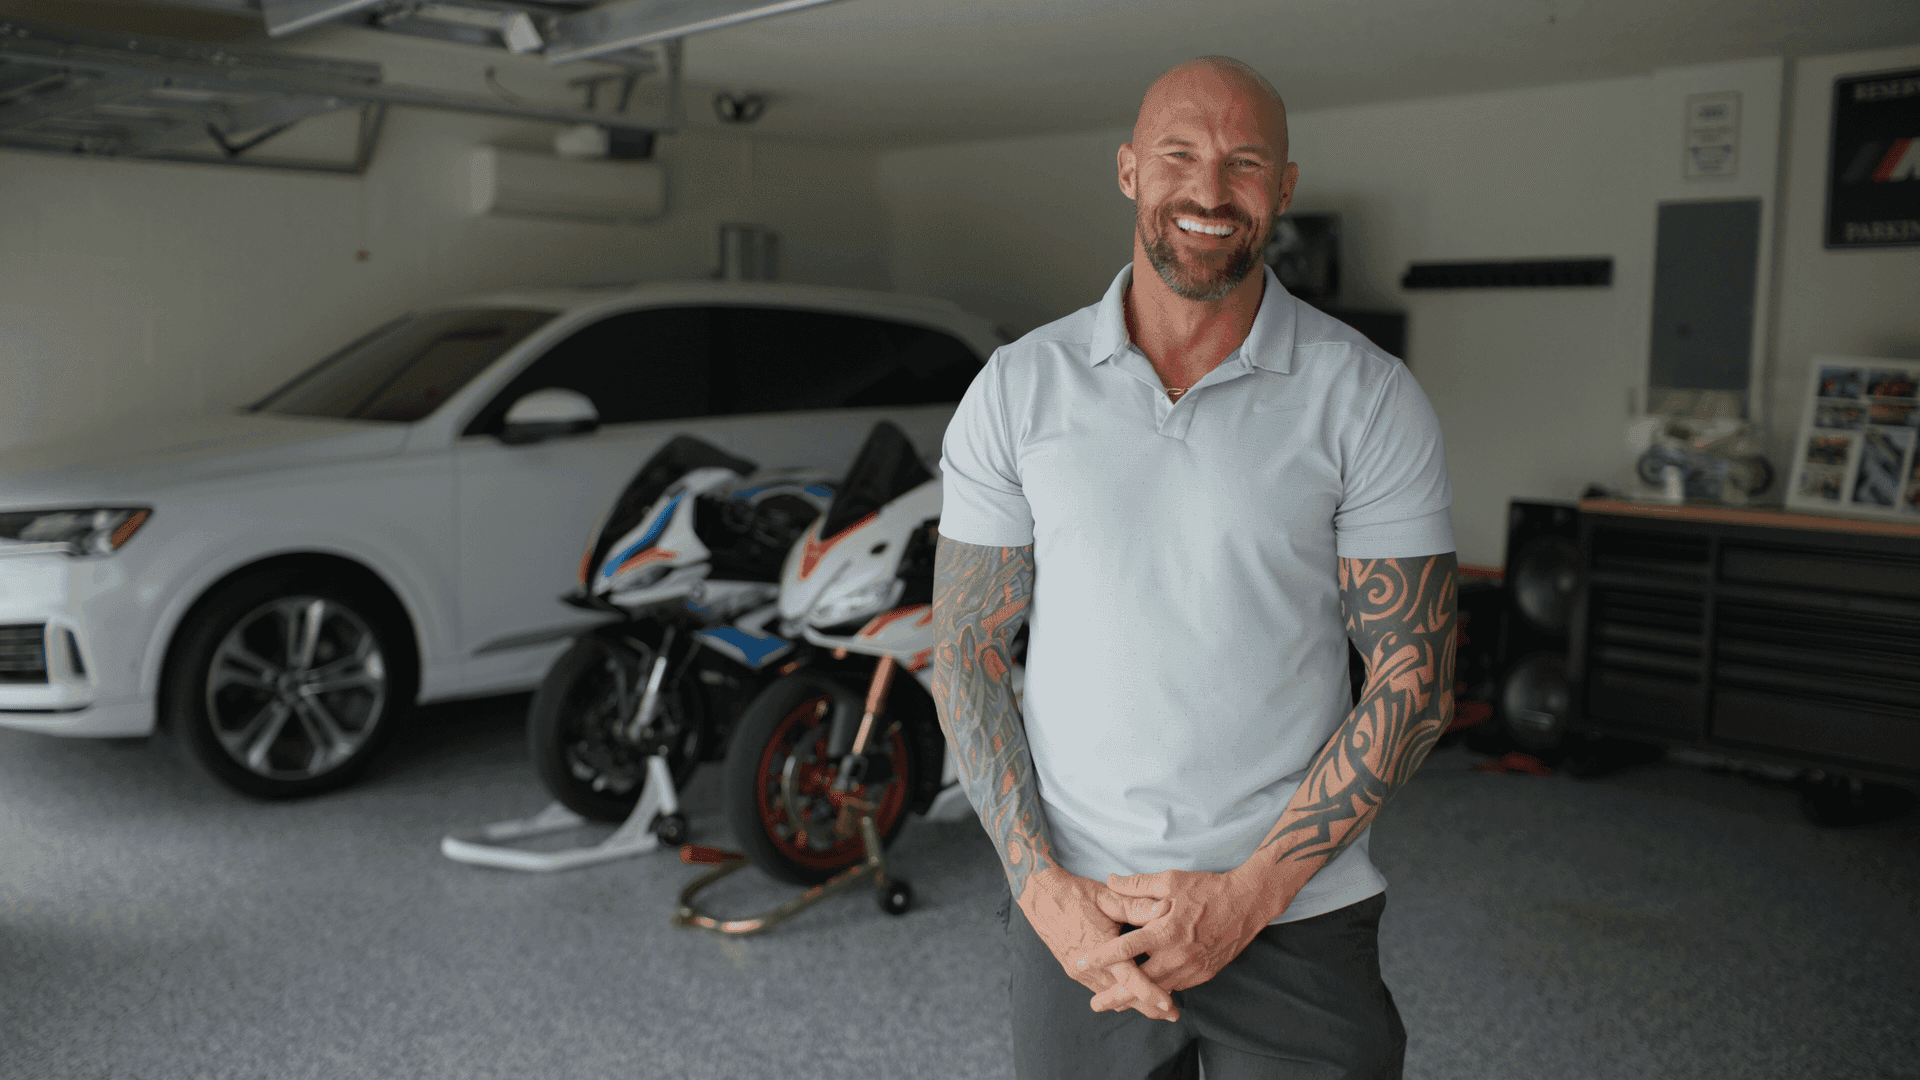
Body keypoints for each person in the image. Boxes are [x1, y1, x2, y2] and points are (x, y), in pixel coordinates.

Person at [929, 55, 1458, 1080]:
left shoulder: (1367, 397)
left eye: (1244, 162)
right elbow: (967, 650)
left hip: (1297, 909)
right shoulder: (1018, 389)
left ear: (1285, 187)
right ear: (1129, 170)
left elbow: (1415, 677)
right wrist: (1044, 894)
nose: (1210, 192)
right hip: (1081, 914)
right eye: (1180, 154)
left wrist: (1245, 899)